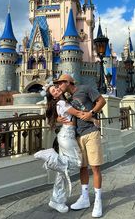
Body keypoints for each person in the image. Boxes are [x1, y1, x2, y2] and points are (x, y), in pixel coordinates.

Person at [54, 74, 106, 218]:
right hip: (77, 135)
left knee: (95, 167)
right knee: (82, 167)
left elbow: (101, 101)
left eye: (60, 83)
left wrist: (92, 113)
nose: (58, 86)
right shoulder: (67, 99)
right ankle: (84, 198)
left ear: (68, 82)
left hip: (91, 132)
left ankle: (98, 201)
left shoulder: (85, 88)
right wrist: (58, 118)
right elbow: (64, 112)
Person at [34, 84, 90, 214]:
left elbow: (56, 116)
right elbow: (77, 113)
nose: (57, 89)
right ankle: (50, 157)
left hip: (67, 135)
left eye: (56, 87)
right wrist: (92, 118)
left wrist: (58, 119)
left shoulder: (63, 102)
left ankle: (57, 200)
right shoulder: (61, 102)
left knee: (62, 172)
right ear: (52, 95)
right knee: (77, 163)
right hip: (66, 137)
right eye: (53, 90)